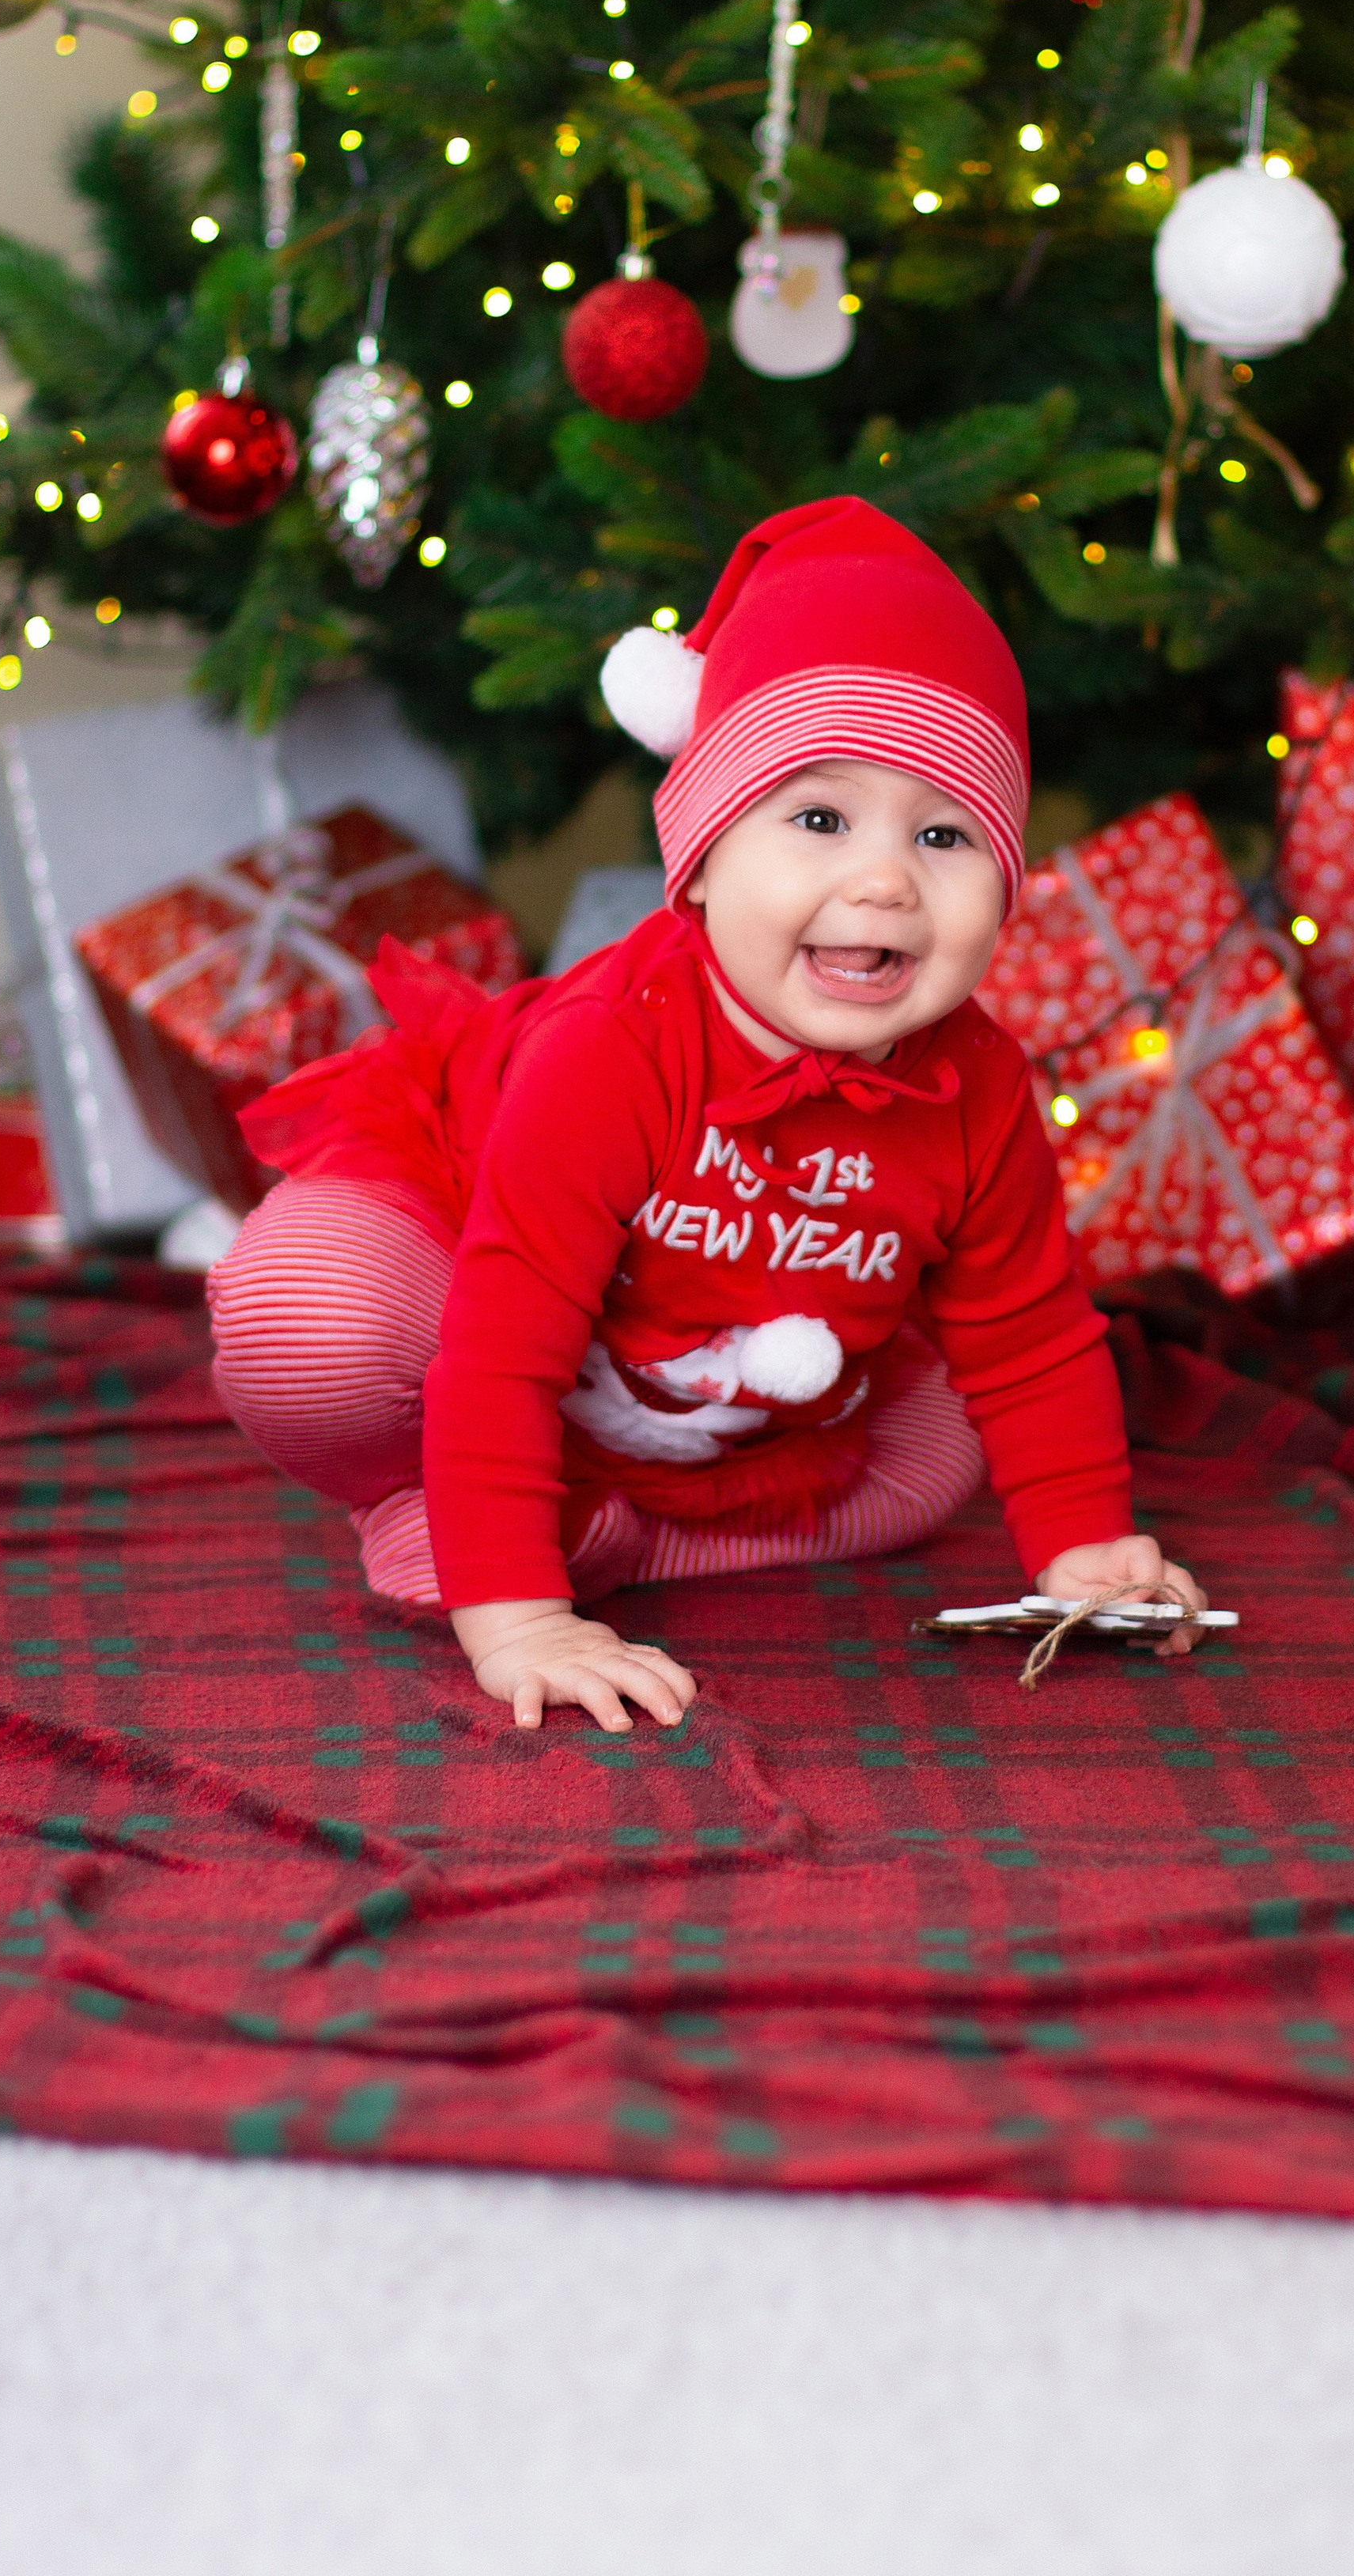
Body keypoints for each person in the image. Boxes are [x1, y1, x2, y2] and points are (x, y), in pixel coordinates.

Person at [208, 497, 1207, 1734]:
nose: (885, 880)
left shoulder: (978, 1084)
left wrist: (1088, 1550)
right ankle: (463, 1514)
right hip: (484, 1294)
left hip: (727, 1396)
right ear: (702, 856)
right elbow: (506, 1346)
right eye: (819, 819)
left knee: (940, 1458)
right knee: (310, 1326)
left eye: (945, 834)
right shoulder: (616, 1048)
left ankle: (628, 1538)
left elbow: (1030, 1339)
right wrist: (519, 1619)